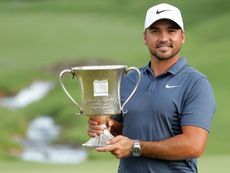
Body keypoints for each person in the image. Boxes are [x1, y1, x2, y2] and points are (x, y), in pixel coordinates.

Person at [88, 3, 216, 173]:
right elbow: (121, 133)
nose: (163, 38)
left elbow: (193, 146)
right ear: (145, 37)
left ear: (182, 36)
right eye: (155, 31)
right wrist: (105, 127)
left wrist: (135, 146)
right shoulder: (129, 79)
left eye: (171, 31)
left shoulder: (196, 83)